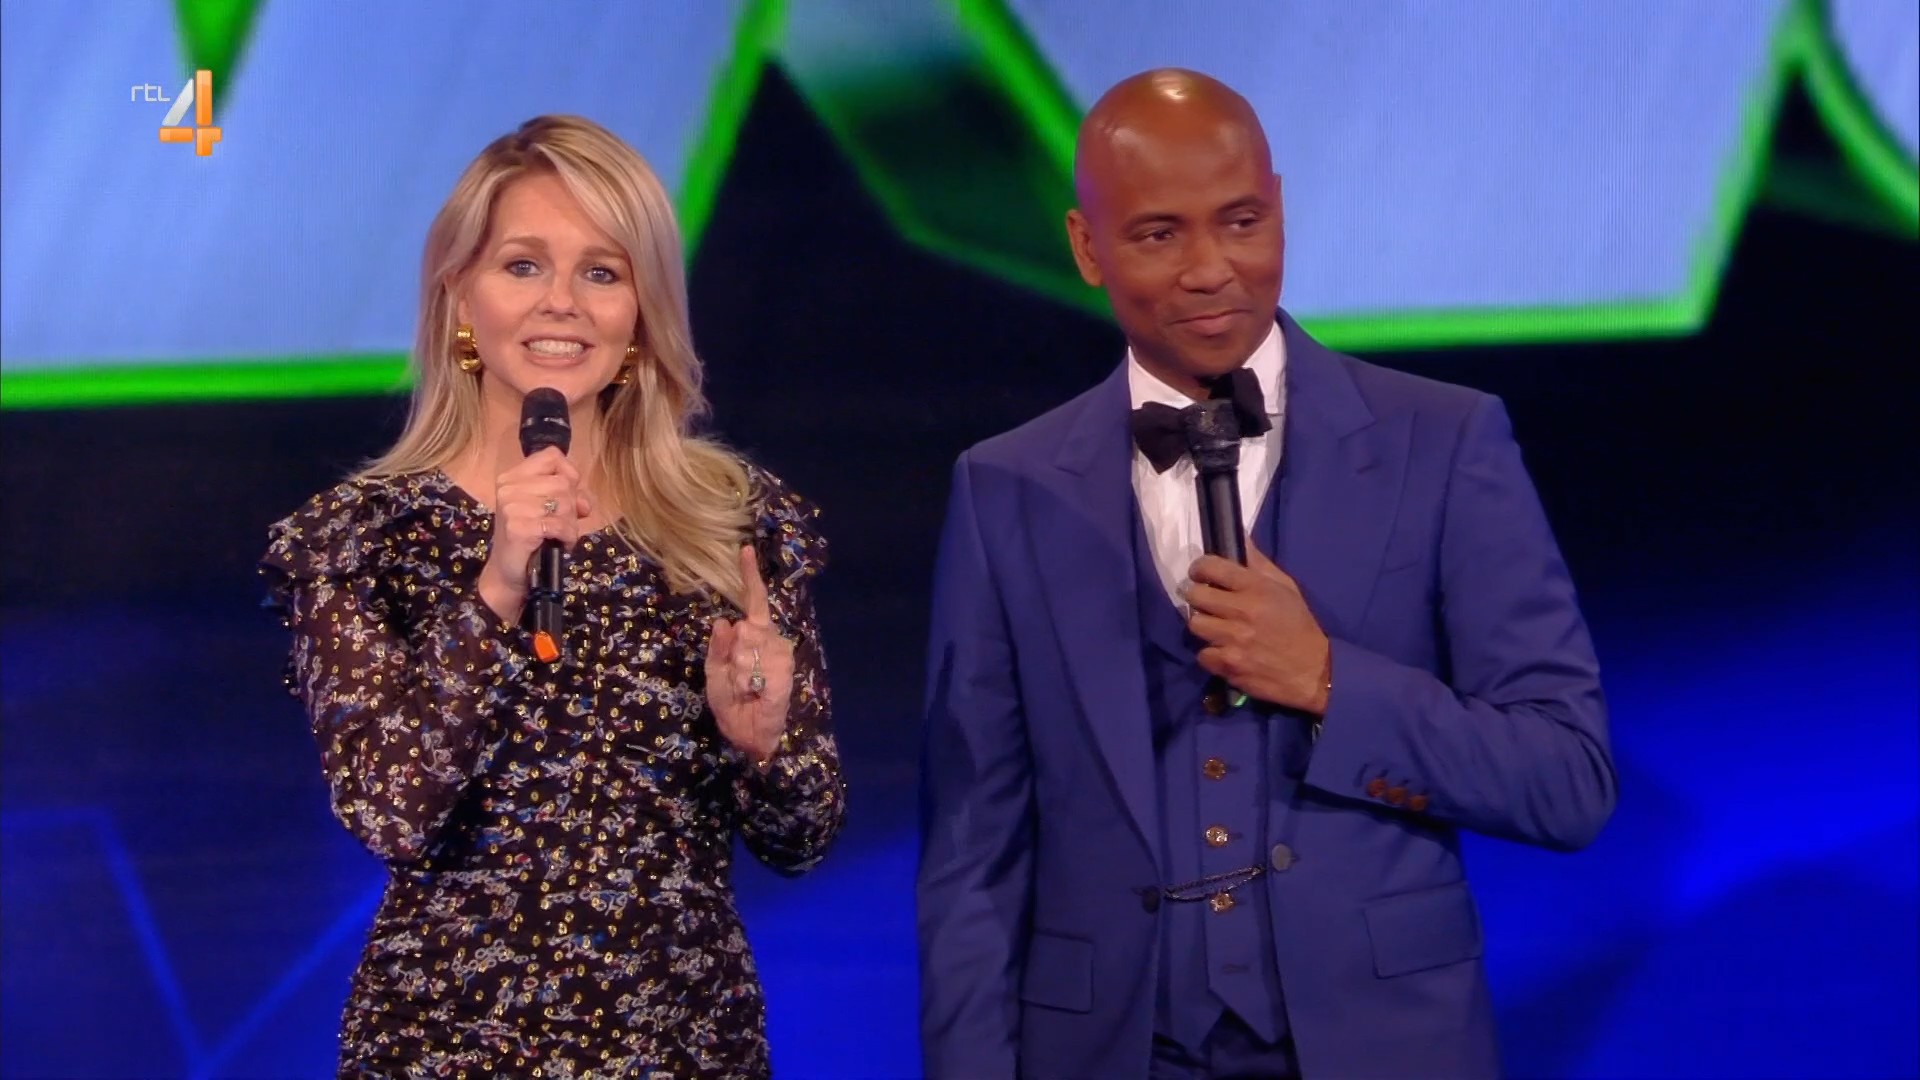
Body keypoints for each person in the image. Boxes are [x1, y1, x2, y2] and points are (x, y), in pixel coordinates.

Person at [916, 69, 1617, 1079]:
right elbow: (972, 861)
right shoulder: (1004, 488)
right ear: (1086, 246)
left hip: (1380, 1048)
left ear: (1281, 208)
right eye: (1160, 234)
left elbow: (1568, 780)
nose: (1212, 269)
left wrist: (1329, 679)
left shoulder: (1445, 442)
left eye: (1241, 222)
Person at [260, 115, 845, 1077]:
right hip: (447, 1045)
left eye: (602, 272)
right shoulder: (364, 539)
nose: (561, 303)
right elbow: (391, 812)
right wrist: (496, 587)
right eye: (523, 265)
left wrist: (764, 746)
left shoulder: (732, 527)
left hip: (679, 1042)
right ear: (460, 293)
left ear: (642, 312)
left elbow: (802, 840)